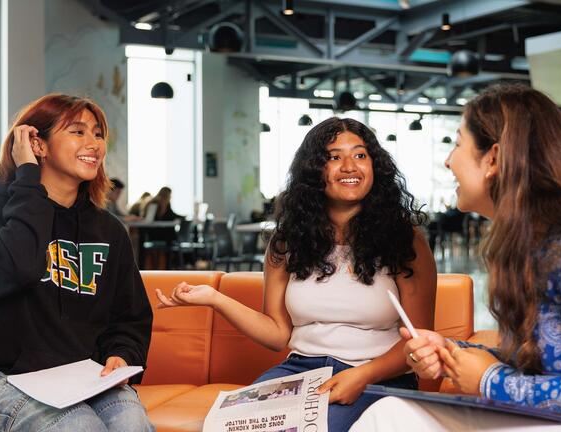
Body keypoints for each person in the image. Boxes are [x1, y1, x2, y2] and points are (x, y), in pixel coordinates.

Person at [351, 84, 561, 431]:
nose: (448, 160)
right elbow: (547, 362)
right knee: (390, 414)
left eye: (457, 143)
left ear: (493, 159)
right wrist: (451, 352)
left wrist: (490, 381)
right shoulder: (538, 246)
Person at [156, 117, 437, 431]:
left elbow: (419, 340)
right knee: (222, 427)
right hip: (300, 372)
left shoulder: (404, 239)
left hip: (378, 376)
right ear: (315, 170)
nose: (349, 166)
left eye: (360, 155)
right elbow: (278, 334)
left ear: (375, 166)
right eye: (334, 157)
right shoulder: (287, 240)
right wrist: (214, 298)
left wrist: (363, 375)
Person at [0, 94, 154, 432]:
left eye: (98, 134)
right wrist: (27, 175)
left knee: (131, 422)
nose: (94, 144)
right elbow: (18, 267)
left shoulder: (109, 229)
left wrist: (123, 353)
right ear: (37, 143)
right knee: (78, 427)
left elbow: (129, 315)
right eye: (78, 132)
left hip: (79, 381)